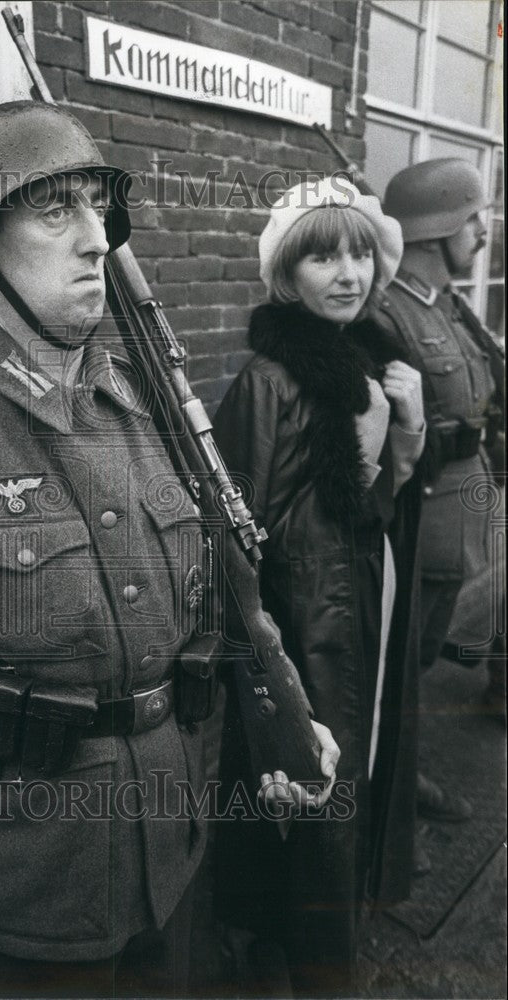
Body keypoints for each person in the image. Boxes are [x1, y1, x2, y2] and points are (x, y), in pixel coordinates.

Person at [0, 102, 338, 998]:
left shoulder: (152, 412)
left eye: (98, 207)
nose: (97, 239)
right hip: (19, 885)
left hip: (172, 857)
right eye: (55, 208)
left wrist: (284, 716)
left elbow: (222, 605)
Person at [212, 177, 424, 997]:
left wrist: (403, 421)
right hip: (301, 626)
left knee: (348, 772)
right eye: (324, 256)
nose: (348, 273)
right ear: (286, 278)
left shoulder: (366, 366)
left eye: (360, 252)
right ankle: (302, 959)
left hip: (360, 603)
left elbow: (371, 502)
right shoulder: (271, 382)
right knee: (309, 788)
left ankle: (311, 940)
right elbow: (237, 533)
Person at [376, 158, 505, 821]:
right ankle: (392, 799)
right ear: (436, 230)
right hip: (426, 515)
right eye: (474, 218)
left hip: (469, 499)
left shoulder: (449, 305)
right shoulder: (388, 312)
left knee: (434, 650)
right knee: (404, 664)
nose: (484, 232)